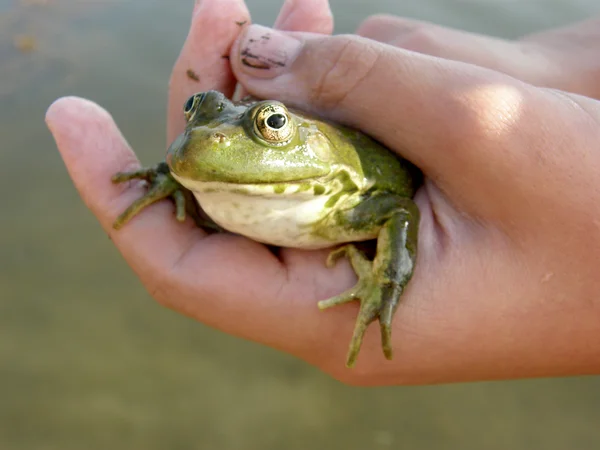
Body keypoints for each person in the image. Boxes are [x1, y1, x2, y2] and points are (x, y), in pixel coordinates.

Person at [45, 0, 600, 385]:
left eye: (271, 127)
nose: (205, 135)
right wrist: (172, 174)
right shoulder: (202, 143)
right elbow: (199, 140)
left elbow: (398, 209)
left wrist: (386, 283)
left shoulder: (350, 207)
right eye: (198, 113)